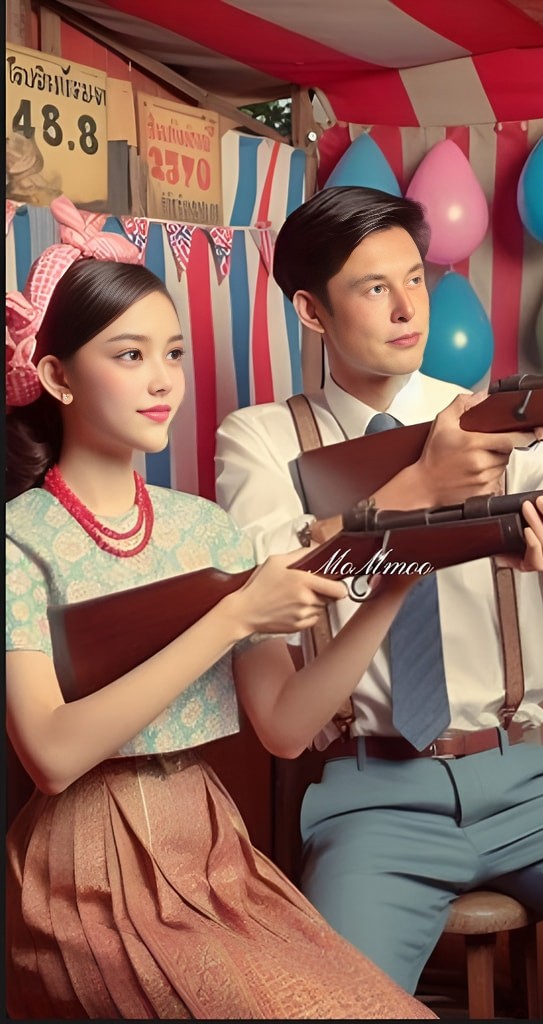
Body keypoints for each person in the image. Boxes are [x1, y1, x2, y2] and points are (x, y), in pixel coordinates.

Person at [214, 185, 543, 994]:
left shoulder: (505, 418)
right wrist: (420, 489)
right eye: (374, 288)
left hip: (528, 787)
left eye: (416, 278)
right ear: (310, 311)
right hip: (372, 802)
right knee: (328, 1007)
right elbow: (275, 583)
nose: (408, 307)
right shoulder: (261, 438)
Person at [4, 197, 437, 1019]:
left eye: (171, 351)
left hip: (213, 848)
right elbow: (53, 756)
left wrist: (396, 583)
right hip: (85, 872)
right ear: (57, 376)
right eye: (128, 355)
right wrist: (234, 617)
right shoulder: (20, 541)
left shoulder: (206, 527)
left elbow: (284, 722)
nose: (163, 377)